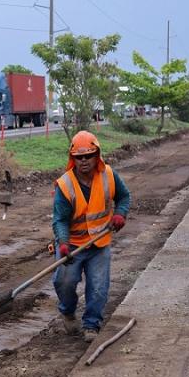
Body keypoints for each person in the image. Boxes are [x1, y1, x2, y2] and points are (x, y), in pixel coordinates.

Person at [52, 130, 131, 343]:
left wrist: (120, 214)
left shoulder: (109, 175)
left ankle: (91, 324)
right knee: (65, 283)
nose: (84, 160)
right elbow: (59, 219)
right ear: (73, 159)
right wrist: (63, 243)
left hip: (99, 244)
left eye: (88, 155)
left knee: (98, 287)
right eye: (79, 157)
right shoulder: (65, 185)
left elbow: (124, 197)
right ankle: (68, 312)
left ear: (97, 155)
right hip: (73, 246)